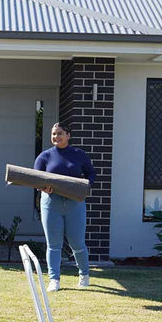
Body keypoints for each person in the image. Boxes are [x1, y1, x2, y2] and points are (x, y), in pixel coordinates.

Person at [34, 122, 95, 291]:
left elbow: (91, 173)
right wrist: (41, 187)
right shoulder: (44, 157)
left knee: (77, 242)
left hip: (75, 204)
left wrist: (86, 186)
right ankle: (54, 279)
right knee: (53, 244)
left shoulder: (79, 155)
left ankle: (84, 275)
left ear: (68, 135)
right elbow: (35, 179)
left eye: (60, 133)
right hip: (50, 203)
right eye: (54, 134)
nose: (56, 137)